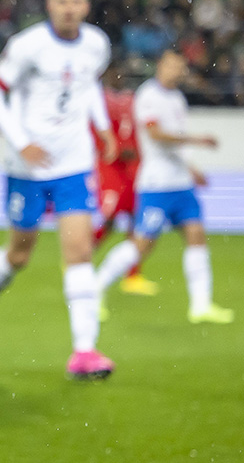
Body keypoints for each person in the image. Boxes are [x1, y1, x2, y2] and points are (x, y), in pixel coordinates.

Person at [0, 0, 119, 380]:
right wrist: (20, 141)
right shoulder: (28, 45)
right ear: (50, 6)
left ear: (86, 6)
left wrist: (102, 128)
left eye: (76, 1)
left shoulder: (97, 44)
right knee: (19, 255)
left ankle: (84, 352)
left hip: (73, 164)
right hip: (27, 167)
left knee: (79, 253)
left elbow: (89, 88)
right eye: (62, 1)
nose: (69, 8)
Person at [95, 50, 233, 324]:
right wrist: (196, 140)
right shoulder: (149, 96)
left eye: (180, 67)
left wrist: (192, 169)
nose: (176, 71)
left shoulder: (177, 98)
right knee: (142, 244)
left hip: (180, 183)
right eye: (171, 65)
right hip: (157, 184)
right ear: (161, 66)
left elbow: (176, 140)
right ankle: (95, 289)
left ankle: (200, 305)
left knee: (195, 235)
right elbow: (154, 133)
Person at [92, 67, 158, 296]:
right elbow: (97, 135)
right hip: (111, 167)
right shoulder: (100, 101)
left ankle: (133, 275)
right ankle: (81, 260)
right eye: (114, 74)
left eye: (121, 74)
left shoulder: (133, 100)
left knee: (134, 219)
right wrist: (118, 150)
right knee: (109, 217)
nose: (119, 77)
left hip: (133, 168)